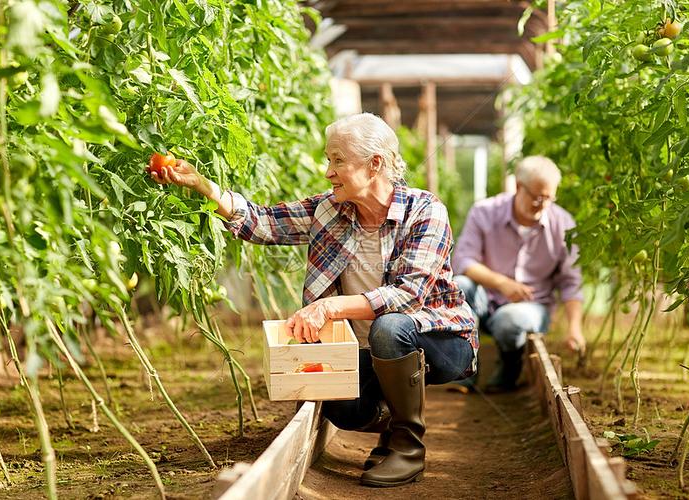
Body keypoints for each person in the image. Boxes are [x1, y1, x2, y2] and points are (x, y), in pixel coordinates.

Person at [149, 113, 477, 487]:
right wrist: (203, 186)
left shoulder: (424, 211)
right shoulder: (329, 210)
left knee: (390, 326)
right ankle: (393, 416)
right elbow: (263, 222)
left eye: (338, 160)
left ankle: (407, 447)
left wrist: (330, 306)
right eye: (328, 159)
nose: (328, 172)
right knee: (339, 404)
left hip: (442, 340)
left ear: (375, 165)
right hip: (371, 348)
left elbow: (408, 295)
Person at [450, 155, 585, 393]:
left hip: (532, 306)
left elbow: (571, 282)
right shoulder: (485, 212)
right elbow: (464, 261)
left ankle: (510, 368)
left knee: (509, 320)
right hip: (487, 298)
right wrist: (502, 283)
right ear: (518, 186)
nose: (542, 204)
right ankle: (465, 368)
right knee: (459, 285)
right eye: (536, 196)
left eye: (549, 198)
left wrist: (575, 328)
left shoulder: (563, 225)